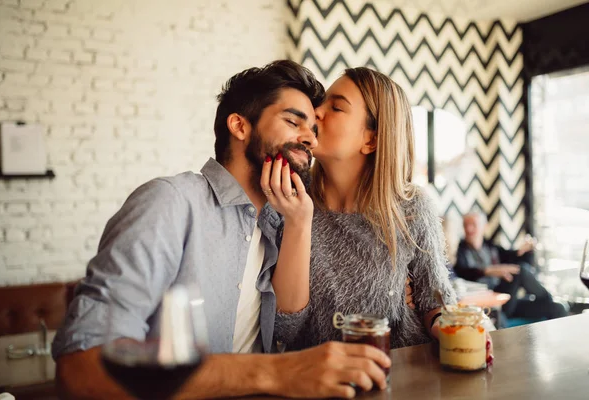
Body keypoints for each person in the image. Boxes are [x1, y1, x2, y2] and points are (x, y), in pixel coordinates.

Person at [52, 60, 391, 400]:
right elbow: (83, 368)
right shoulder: (170, 203)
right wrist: (276, 372)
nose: (309, 139)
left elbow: (291, 328)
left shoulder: (280, 225)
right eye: (292, 121)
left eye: (313, 131)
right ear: (239, 126)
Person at [272, 67, 460, 352]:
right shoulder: (289, 196)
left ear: (371, 140)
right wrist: (297, 222)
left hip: (401, 374)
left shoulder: (412, 208)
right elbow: (284, 328)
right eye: (320, 103)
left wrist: (455, 332)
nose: (315, 112)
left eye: (335, 107)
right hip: (318, 380)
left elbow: (435, 301)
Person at [454, 211, 567, 320]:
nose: (469, 229)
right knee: (520, 271)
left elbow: (516, 259)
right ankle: (547, 298)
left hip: (507, 300)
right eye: (466, 225)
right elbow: (462, 272)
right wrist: (488, 270)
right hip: (488, 305)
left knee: (557, 308)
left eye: (473, 224)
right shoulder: (460, 251)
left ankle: (548, 300)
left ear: (485, 226)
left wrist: (524, 251)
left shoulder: (491, 248)